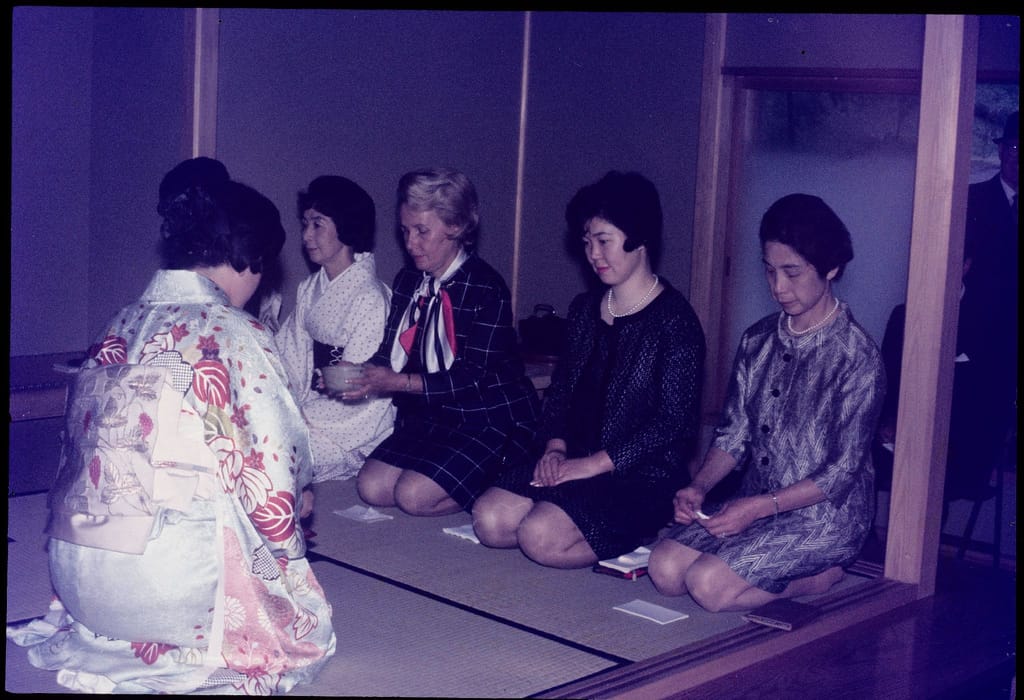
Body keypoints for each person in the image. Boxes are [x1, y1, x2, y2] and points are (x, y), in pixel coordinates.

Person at [7, 159, 336, 694]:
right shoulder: (233, 333)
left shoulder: (120, 321)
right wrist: (292, 521)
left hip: (79, 578)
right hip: (168, 593)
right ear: (249, 258)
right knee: (297, 609)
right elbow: (275, 466)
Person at [647, 193, 885, 612]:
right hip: (755, 503)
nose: (778, 287)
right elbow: (733, 433)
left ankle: (818, 578)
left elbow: (840, 473)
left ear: (831, 267)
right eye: (770, 271)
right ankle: (760, 561)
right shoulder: (757, 340)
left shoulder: (857, 357)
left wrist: (756, 508)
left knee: (707, 586)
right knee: (664, 569)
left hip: (824, 515)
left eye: (792, 273)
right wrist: (698, 486)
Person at [471, 171, 706, 568]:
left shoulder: (675, 321)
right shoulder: (584, 310)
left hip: (637, 473)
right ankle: (576, 520)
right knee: (490, 521)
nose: (594, 254)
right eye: (587, 242)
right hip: (574, 458)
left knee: (538, 538)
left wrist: (593, 464)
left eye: (604, 241)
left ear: (639, 237)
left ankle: (642, 531)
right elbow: (562, 392)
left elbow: (671, 424)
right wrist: (555, 448)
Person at [340, 167, 541, 516]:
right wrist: (363, 373)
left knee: (413, 497)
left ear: (457, 227)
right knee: (372, 487)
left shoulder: (485, 288)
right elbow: (392, 351)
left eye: (422, 231)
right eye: (405, 231)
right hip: (430, 418)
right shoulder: (407, 281)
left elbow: (471, 378)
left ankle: (503, 476)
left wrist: (398, 383)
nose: (410, 243)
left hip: (484, 418)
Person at [276, 175, 395, 482]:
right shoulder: (309, 288)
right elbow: (289, 354)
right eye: (305, 224)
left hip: (354, 419)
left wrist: (301, 417)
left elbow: (357, 383)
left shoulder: (370, 297)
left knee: (278, 452)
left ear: (345, 225)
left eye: (318, 224)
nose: (306, 235)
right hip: (314, 405)